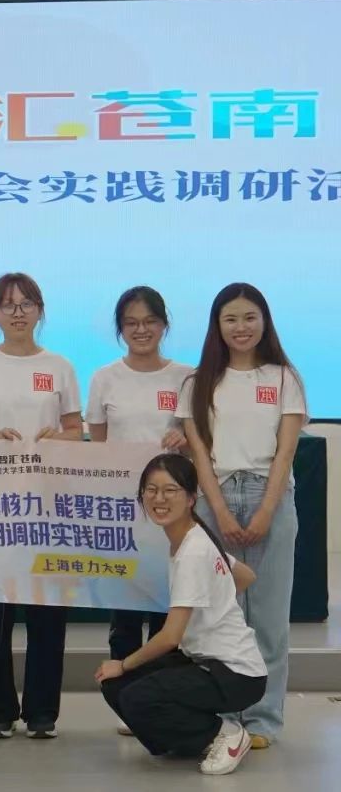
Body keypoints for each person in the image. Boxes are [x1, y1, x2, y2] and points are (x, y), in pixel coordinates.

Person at [177, 283, 305, 750]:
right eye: (230, 318)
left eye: (250, 317)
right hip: (214, 498)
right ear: (217, 326)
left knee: (268, 618)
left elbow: (286, 452)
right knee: (219, 617)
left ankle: (263, 720)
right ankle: (226, 715)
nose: (241, 327)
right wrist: (220, 512)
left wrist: (266, 509)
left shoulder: (284, 378)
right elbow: (199, 454)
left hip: (271, 494)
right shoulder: (196, 383)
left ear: (264, 322)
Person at [0, 272, 82, 740]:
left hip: (49, 504)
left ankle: (43, 711)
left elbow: (77, 431)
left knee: (48, 613)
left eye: (27, 303)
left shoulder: (60, 366)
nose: (18, 312)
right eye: (7, 305)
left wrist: (59, 438)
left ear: (40, 310)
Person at [97, 453, 267, 776]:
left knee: (135, 693)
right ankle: (183, 740)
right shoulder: (193, 537)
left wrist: (123, 663)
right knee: (116, 687)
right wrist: (216, 600)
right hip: (202, 660)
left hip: (235, 672)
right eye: (151, 490)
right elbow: (245, 576)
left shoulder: (194, 550)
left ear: (191, 498)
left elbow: (170, 637)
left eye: (170, 490)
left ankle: (225, 734)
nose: (159, 499)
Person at [86, 285, 192, 730]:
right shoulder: (104, 378)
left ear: (164, 325)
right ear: (120, 329)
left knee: (170, 611)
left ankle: (164, 702)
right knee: (125, 614)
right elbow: (97, 446)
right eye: (131, 323)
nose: (141, 329)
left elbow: (200, 441)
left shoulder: (187, 377)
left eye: (149, 321)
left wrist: (185, 438)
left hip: (174, 515)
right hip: (123, 515)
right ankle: (127, 703)